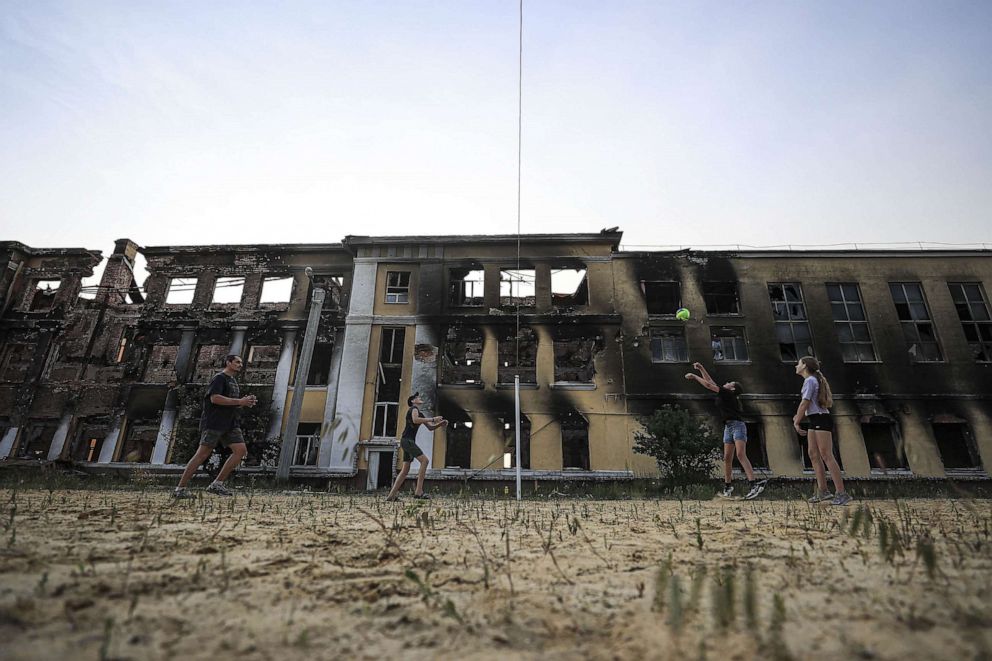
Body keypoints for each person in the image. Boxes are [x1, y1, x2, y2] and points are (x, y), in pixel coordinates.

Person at [172, 354, 256, 498]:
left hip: (230, 423)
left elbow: (233, 402)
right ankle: (180, 489)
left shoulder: (233, 381)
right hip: (215, 422)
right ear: (228, 363)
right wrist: (239, 401)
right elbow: (215, 398)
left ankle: (217, 484)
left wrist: (246, 402)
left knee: (240, 450)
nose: (240, 365)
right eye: (237, 362)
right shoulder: (219, 378)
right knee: (202, 454)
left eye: (241, 362)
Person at [685, 362, 766, 500]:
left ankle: (754, 485)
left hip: (738, 426)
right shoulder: (724, 393)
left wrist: (694, 376)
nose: (726, 382)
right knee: (727, 458)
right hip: (728, 427)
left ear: (733, 389)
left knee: (740, 454)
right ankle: (728, 487)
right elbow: (711, 382)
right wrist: (701, 368)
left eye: (730, 382)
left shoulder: (728, 394)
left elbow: (709, 385)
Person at [793, 355, 851, 506]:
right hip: (814, 419)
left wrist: (797, 421)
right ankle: (823, 491)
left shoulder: (810, 380)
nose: (796, 366)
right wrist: (799, 419)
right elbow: (806, 406)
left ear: (804, 365)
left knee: (826, 455)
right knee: (813, 454)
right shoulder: (810, 380)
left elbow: (804, 403)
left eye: (798, 363)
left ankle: (841, 493)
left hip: (821, 419)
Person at [385, 392, 446, 502]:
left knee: (405, 470)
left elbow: (430, 428)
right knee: (425, 461)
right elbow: (415, 420)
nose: (420, 398)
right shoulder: (413, 409)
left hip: (408, 441)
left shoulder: (420, 414)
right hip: (407, 440)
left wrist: (439, 424)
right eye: (417, 397)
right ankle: (418, 491)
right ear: (413, 401)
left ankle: (391, 496)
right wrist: (433, 419)